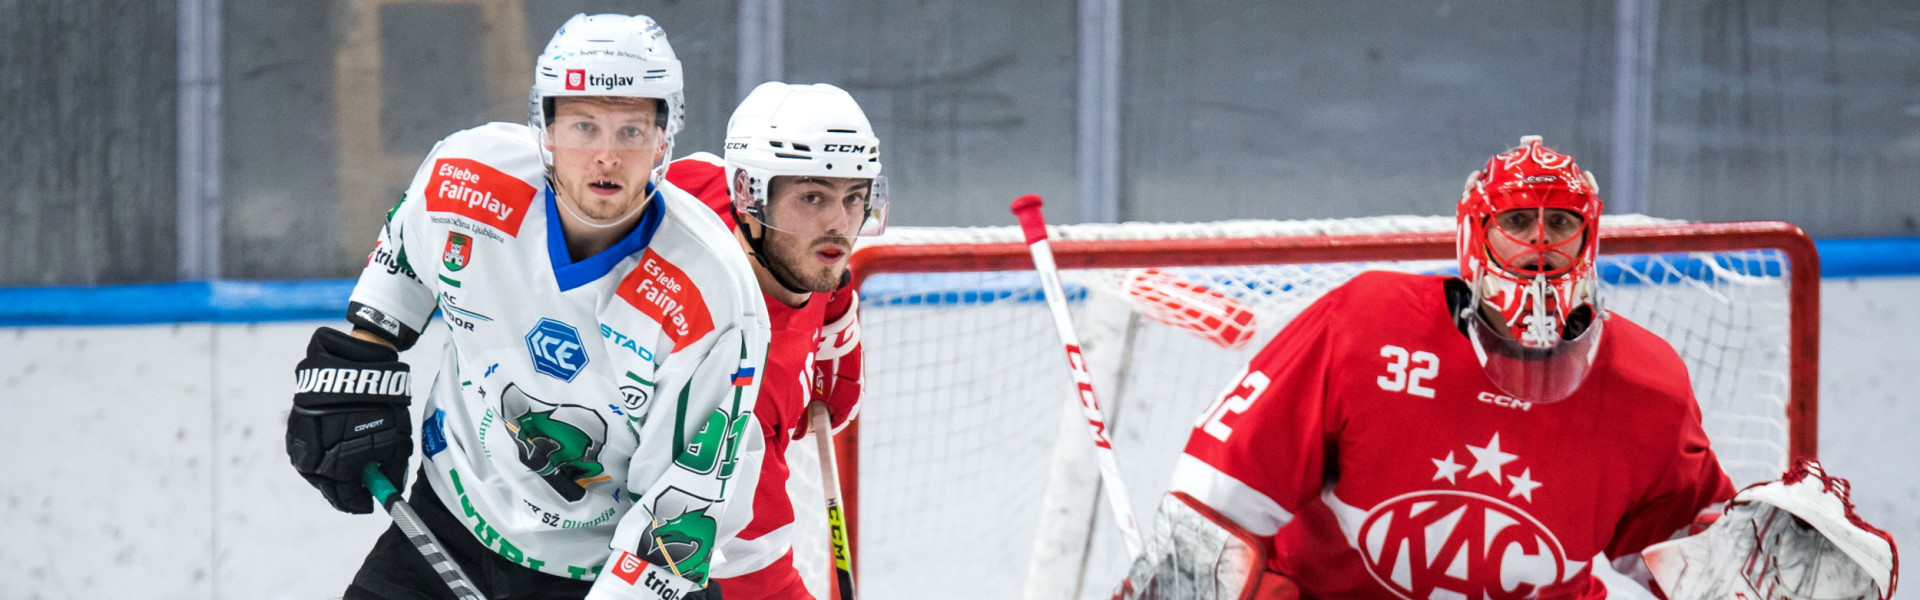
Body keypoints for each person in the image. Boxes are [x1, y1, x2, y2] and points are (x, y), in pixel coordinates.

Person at [1117, 136, 1736, 599]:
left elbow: (1704, 559)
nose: (1540, 248)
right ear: (1475, 236)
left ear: (1589, 238)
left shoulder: (1646, 386)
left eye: (1561, 224)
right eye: (1517, 222)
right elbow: (1222, 500)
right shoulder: (1365, 328)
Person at [284, 13, 769, 600]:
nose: (607, 157)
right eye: (584, 127)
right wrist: (369, 348)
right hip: (448, 523)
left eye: (631, 131)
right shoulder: (468, 179)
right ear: (545, 125)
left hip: (596, 574)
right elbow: (406, 258)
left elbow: (677, 518)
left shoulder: (712, 297)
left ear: (666, 137)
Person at [664, 82, 882, 600]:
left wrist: (835, 307)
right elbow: (752, 577)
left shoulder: (697, 191)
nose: (839, 223)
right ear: (750, 197)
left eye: (854, 197)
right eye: (812, 197)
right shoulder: (742, 383)